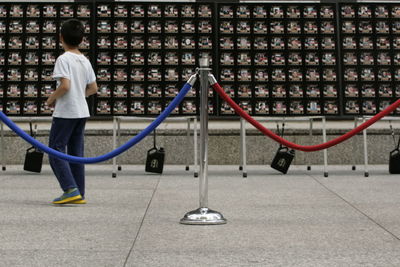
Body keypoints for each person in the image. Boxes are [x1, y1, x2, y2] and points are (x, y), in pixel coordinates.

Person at [46, 19, 98, 204]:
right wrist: (79, 94)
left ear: (61, 37)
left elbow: (65, 85)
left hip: (65, 112)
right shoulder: (84, 60)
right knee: (76, 153)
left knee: (55, 151)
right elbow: (93, 88)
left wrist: (51, 99)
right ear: (82, 39)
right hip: (81, 111)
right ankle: (79, 192)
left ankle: (69, 188)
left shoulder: (63, 59)